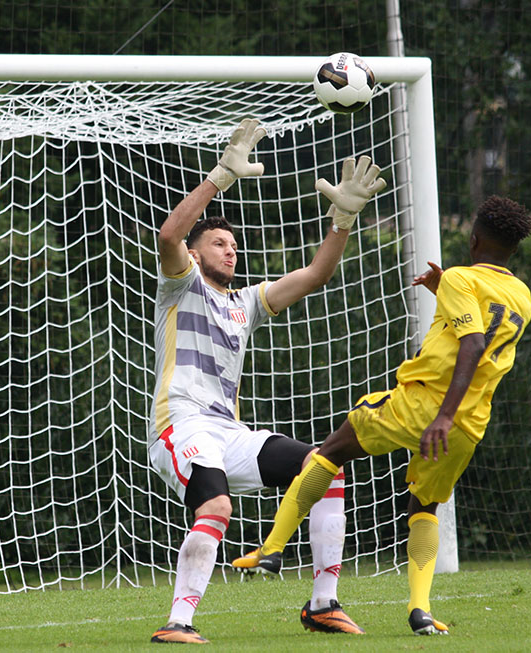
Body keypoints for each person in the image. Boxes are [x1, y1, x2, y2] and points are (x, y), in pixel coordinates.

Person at [232, 195, 531, 636]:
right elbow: (483, 331)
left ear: (472, 240)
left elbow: (471, 344)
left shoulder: (460, 278)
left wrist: (441, 415)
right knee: (425, 505)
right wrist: (442, 292)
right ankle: (420, 610)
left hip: (427, 406)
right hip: (470, 425)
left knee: (331, 451)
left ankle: (272, 549)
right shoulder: (521, 294)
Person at [147, 118, 387, 644]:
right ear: (195, 253)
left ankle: (323, 603)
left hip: (228, 431)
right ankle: (178, 622)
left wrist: (343, 217)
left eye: (234, 244)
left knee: (324, 464)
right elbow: (168, 234)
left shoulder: (246, 303)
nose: (230, 250)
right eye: (217, 242)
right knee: (216, 505)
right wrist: (219, 176)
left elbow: (316, 275)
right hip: (181, 426)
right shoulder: (179, 284)